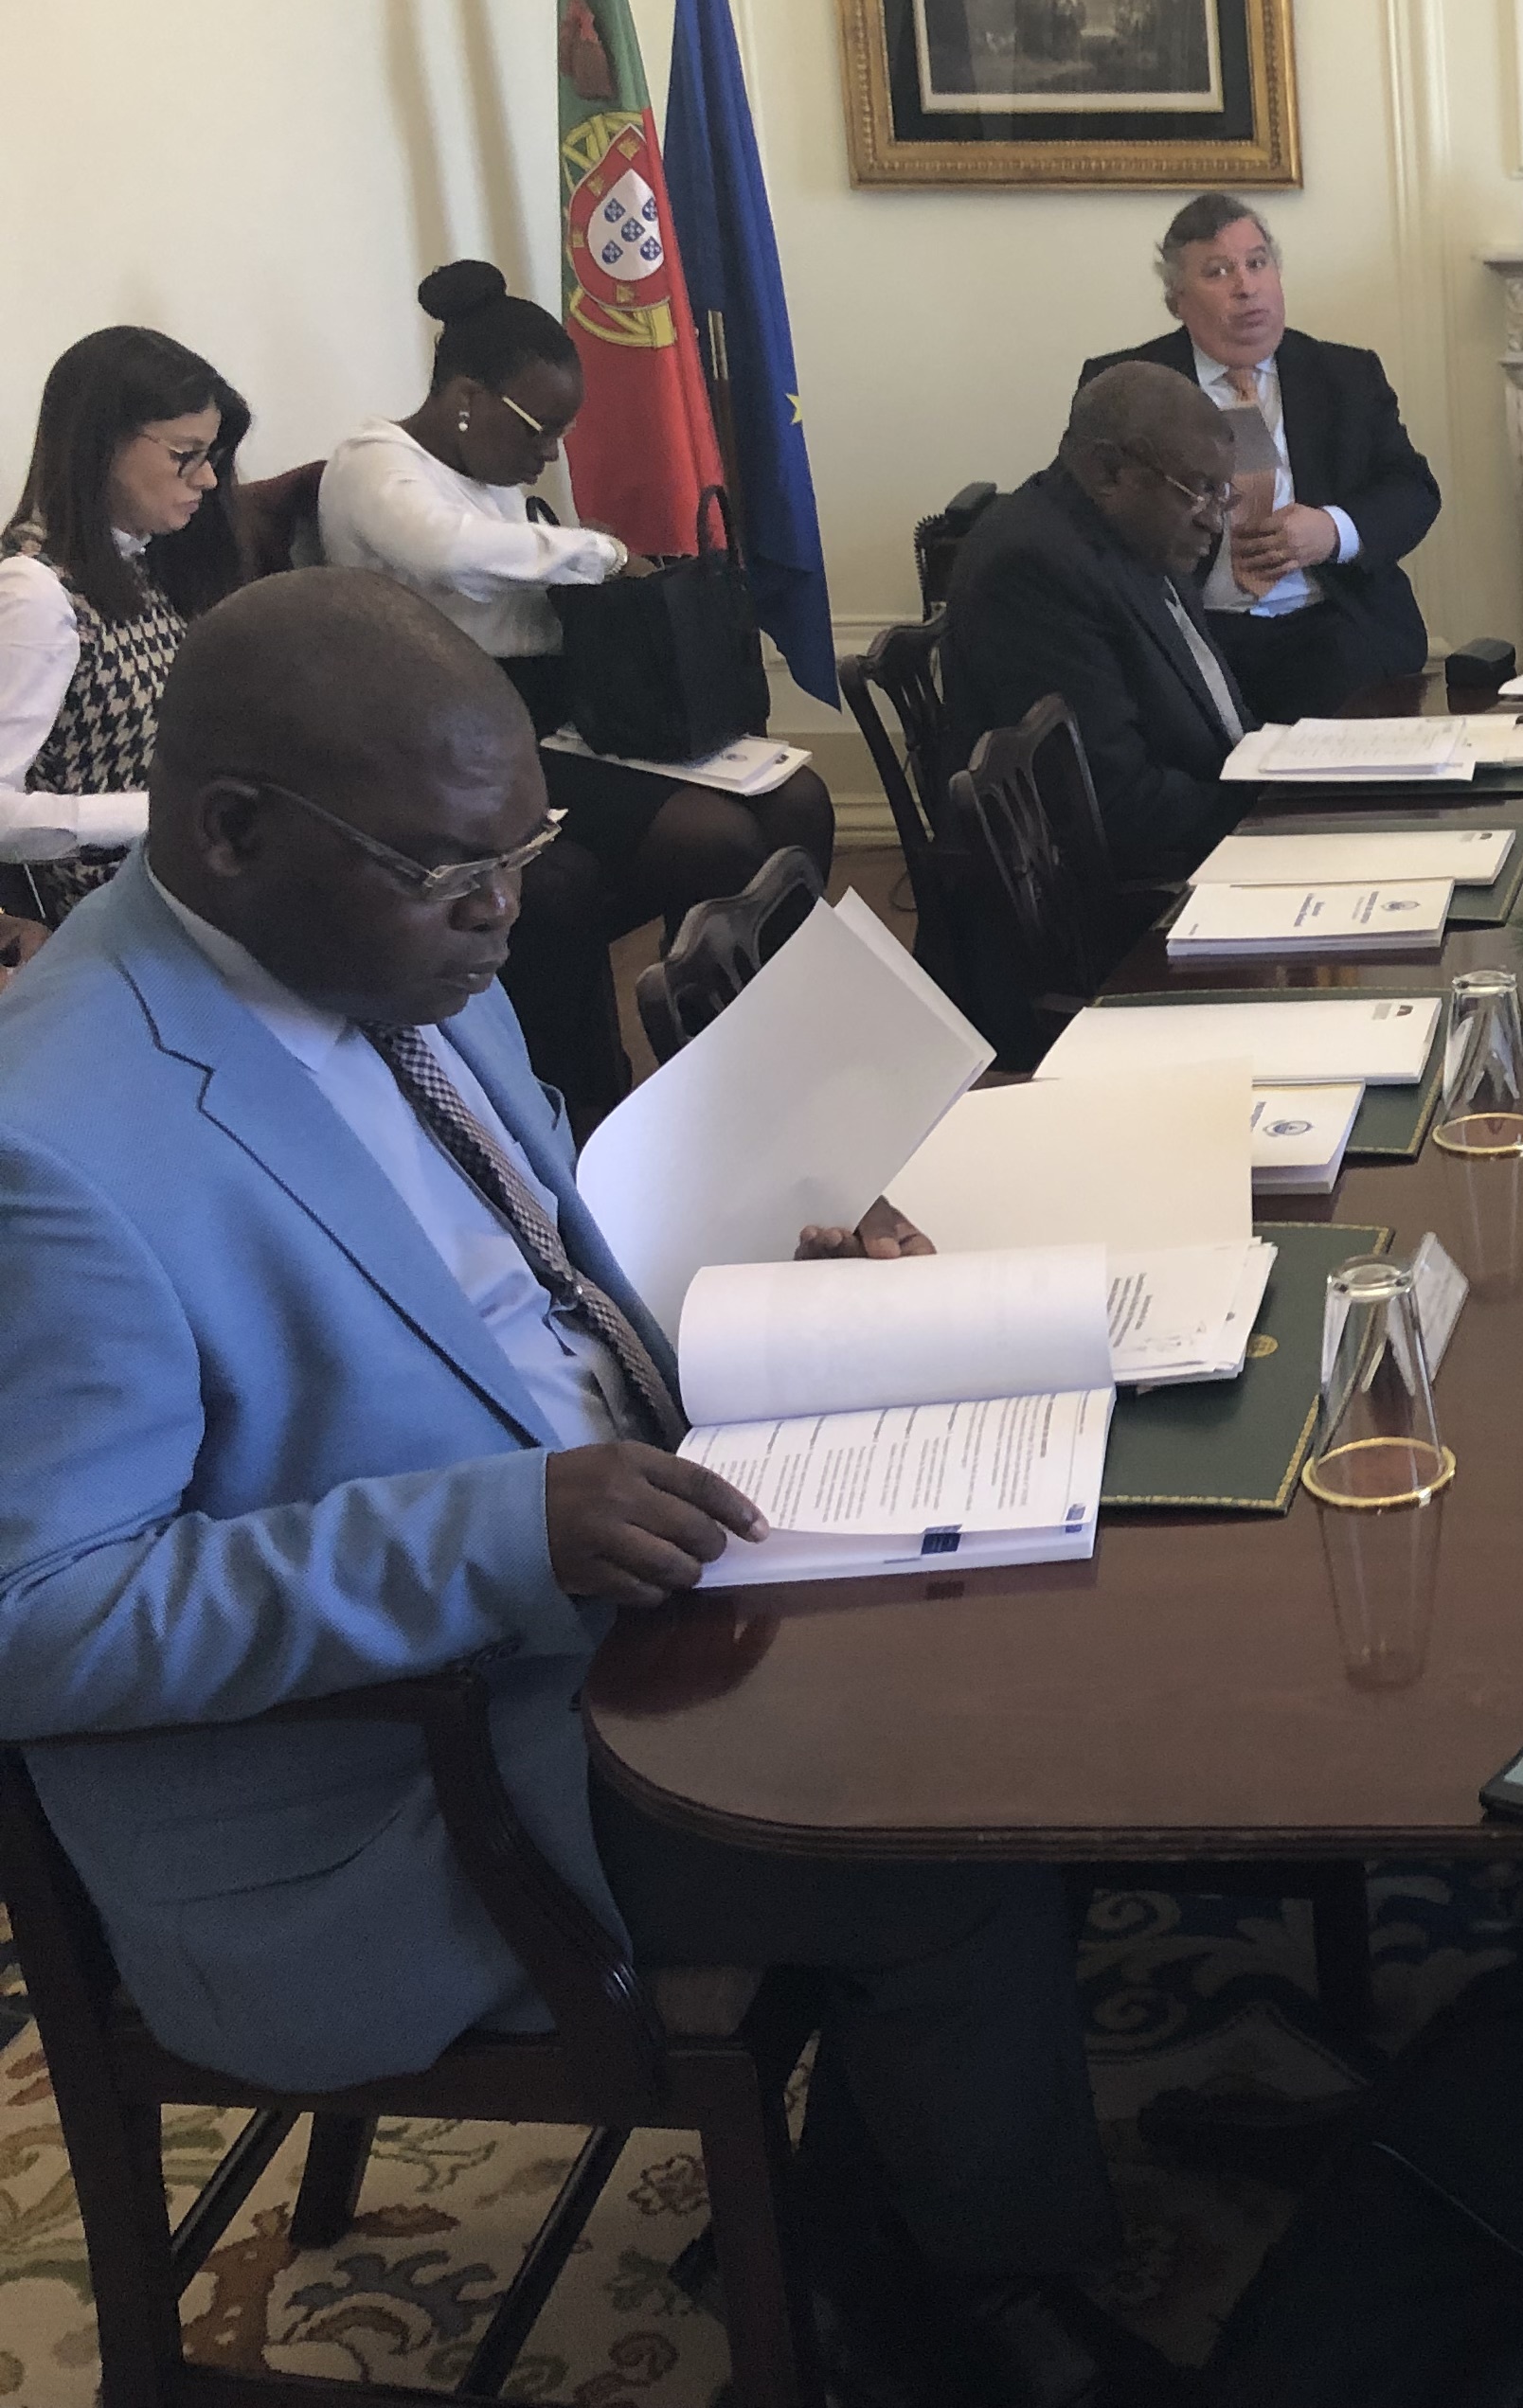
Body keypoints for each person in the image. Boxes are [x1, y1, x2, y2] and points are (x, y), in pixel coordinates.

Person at [0, 571, 1175, 2404]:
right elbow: (38, 1619)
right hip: (402, 1786)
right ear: (229, 831)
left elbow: (540, 1299)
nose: (512, 909)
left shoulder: (394, 955)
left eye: (522, 851)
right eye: (452, 869)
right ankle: (960, 2309)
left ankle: (860, 2221)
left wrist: (769, 1300)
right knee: (955, 1843)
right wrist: (502, 1531)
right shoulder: (54, 1143)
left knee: (1057, 1650)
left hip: (618, 1605)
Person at [321, 260, 834, 1123]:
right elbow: (448, 553)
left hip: (550, 718)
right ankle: (689, 1088)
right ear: (469, 399)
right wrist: (599, 552)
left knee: (797, 800)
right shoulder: (375, 464)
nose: (550, 454)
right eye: (541, 429)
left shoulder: (490, 476)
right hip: (453, 743)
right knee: (711, 837)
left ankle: (776, 1061)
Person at [1077, 194, 1443, 723]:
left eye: (1257, 263)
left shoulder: (1345, 375)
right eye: (1218, 271)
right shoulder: (1124, 387)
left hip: (1329, 620)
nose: (1246, 287)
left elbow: (1412, 490)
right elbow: (1089, 521)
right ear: (1176, 299)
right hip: (1193, 628)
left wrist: (1331, 530)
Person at [944, 363, 1247, 881]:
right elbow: (1113, 803)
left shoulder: (1133, 532)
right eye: (1198, 490)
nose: (1214, 520)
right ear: (1108, 471)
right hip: (1137, 890)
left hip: (1199, 827)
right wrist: (1268, 809)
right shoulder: (1034, 568)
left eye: (1222, 494)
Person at [2, 327, 252, 917]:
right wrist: (163, 810)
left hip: (185, 872)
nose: (207, 479)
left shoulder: (151, 558)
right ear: (99, 445)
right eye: (184, 455)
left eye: (211, 457)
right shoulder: (35, 591)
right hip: (108, 904)